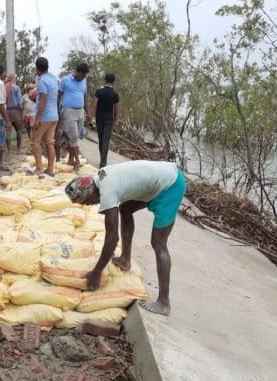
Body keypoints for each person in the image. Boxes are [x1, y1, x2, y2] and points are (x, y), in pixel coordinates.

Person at [64, 160, 187, 316]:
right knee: (126, 209)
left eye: (88, 202)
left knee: (159, 244)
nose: (90, 205)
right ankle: (125, 259)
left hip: (171, 185)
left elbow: (112, 238)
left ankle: (164, 302)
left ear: (92, 192)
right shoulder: (101, 176)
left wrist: (97, 271)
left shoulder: (107, 191)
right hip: (162, 176)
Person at [57, 63, 90, 169]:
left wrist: (87, 112)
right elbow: (59, 96)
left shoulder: (84, 81)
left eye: (85, 76)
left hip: (80, 111)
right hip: (69, 111)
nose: (84, 78)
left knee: (77, 136)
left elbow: (85, 97)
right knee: (73, 136)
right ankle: (77, 161)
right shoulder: (65, 80)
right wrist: (57, 110)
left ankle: (71, 160)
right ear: (78, 72)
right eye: (83, 75)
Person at [31, 57, 59, 178]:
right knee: (50, 142)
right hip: (54, 115)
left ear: (37, 68)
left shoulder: (42, 81)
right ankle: (51, 169)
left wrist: (37, 119)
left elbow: (42, 101)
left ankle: (39, 168)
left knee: (35, 141)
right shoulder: (53, 78)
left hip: (45, 116)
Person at [92, 73, 119, 167]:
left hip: (99, 119)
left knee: (101, 139)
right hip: (109, 119)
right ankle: (103, 162)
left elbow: (95, 105)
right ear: (113, 82)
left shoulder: (98, 91)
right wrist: (115, 120)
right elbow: (115, 109)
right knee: (106, 140)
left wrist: (91, 116)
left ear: (105, 80)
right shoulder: (115, 94)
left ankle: (102, 160)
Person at [5, 73, 24, 152]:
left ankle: (9, 150)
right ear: (13, 79)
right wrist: (21, 110)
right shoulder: (16, 88)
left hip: (7, 111)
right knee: (19, 130)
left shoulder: (4, 87)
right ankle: (18, 149)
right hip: (15, 111)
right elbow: (19, 102)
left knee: (8, 132)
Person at [21, 86, 36, 153]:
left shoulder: (36, 95)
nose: (31, 91)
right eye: (30, 89)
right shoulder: (24, 97)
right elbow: (21, 105)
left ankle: (32, 146)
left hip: (34, 115)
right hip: (26, 115)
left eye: (32, 89)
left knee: (34, 131)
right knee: (28, 131)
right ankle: (30, 141)